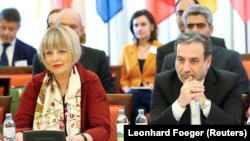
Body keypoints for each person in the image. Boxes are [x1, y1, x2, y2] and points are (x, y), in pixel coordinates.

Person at [13, 25, 111, 141]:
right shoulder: (36, 83)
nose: (55, 58)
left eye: (62, 51)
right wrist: (18, 134)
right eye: (49, 53)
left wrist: (83, 138)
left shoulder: (90, 81)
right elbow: (19, 125)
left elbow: (102, 128)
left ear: (73, 52)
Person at [150, 31, 242, 125]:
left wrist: (205, 104)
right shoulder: (163, 82)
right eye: (180, 60)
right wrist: (179, 104)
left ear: (208, 61)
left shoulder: (228, 82)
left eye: (193, 61)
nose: (186, 69)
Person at [161, 5, 249, 96]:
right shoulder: (170, 60)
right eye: (190, 26)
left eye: (200, 25)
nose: (195, 30)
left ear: (210, 29)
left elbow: (243, 94)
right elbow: (163, 96)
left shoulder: (231, 58)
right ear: (184, 29)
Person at [32, 8, 115, 93]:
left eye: (73, 27)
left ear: (81, 30)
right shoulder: (41, 58)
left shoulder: (97, 57)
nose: (68, 31)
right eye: (63, 26)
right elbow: (35, 95)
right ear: (54, 28)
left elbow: (109, 95)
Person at [156, 0, 226, 73]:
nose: (195, 30)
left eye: (190, 10)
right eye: (180, 13)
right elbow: (162, 82)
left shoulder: (221, 47)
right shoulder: (165, 53)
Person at [119, 9, 163, 125]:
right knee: (140, 110)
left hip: (153, 94)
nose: (139, 28)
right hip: (131, 93)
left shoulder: (161, 49)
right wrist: (129, 91)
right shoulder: (127, 50)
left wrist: (156, 85)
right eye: (136, 25)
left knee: (135, 97)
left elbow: (165, 74)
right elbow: (122, 78)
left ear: (152, 27)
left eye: (143, 24)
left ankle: (121, 128)